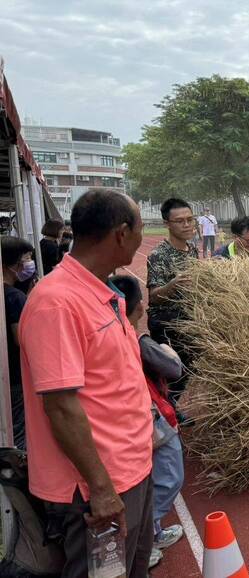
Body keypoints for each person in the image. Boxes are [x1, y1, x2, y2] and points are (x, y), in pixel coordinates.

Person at [18, 189, 153, 578]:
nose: (141, 236)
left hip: (130, 468)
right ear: (122, 233)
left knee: (132, 570)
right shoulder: (57, 303)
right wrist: (102, 490)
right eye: (141, 227)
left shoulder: (99, 290)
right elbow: (60, 406)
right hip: (99, 485)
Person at [109, 275, 185, 569]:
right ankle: (146, 538)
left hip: (136, 420)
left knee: (149, 479)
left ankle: (152, 533)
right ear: (137, 307)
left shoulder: (118, 333)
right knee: (169, 477)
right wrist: (169, 352)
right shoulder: (138, 340)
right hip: (153, 418)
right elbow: (173, 368)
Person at [147, 198, 198, 413]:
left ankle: (170, 408)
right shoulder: (159, 255)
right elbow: (153, 297)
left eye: (189, 220)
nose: (187, 225)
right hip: (167, 322)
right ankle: (162, 413)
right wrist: (172, 285)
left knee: (189, 368)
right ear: (167, 224)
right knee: (171, 372)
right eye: (180, 221)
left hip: (188, 319)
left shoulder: (192, 250)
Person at [2, 236, 35, 448]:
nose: (28, 265)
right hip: (15, 378)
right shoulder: (14, 297)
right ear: (12, 265)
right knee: (19, 433)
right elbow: (21, 338)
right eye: (25, 260)